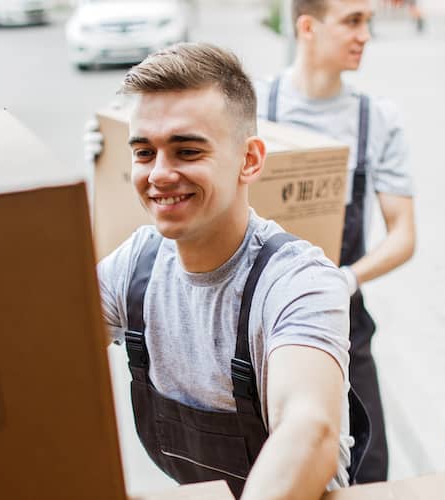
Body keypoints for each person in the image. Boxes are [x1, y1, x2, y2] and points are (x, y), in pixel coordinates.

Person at [95, 42, 368, 498]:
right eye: (144, 152)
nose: (159, 173)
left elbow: (309, 429)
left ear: (250, 159)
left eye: (186, 151)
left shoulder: (299, 281)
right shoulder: (134, 267)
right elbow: (49, 357)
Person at [256, 0, 417, 482]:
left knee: (369, 471)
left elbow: (403, 234)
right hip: (255, 328)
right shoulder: (251, 107)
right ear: (307, 27)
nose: (365, 34)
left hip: (344, 322)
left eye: (367, 22)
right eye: (352, 21)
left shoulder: (377, 119)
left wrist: (346, 279)